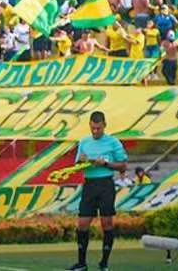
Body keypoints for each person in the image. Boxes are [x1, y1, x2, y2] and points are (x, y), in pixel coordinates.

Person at [67, 111, 128, 271]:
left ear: (104, 125)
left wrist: (105, 164)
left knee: (106, 223)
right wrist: (81, 162)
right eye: (93, 128)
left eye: (98, 128)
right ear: (89, 125)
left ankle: (104, 263)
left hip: (105, 184)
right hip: (89, 185)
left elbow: (123, 165)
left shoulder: (113, 142)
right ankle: (82, 263)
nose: (95, 131)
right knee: (82, 224)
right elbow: (77, 165)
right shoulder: (84, 142)